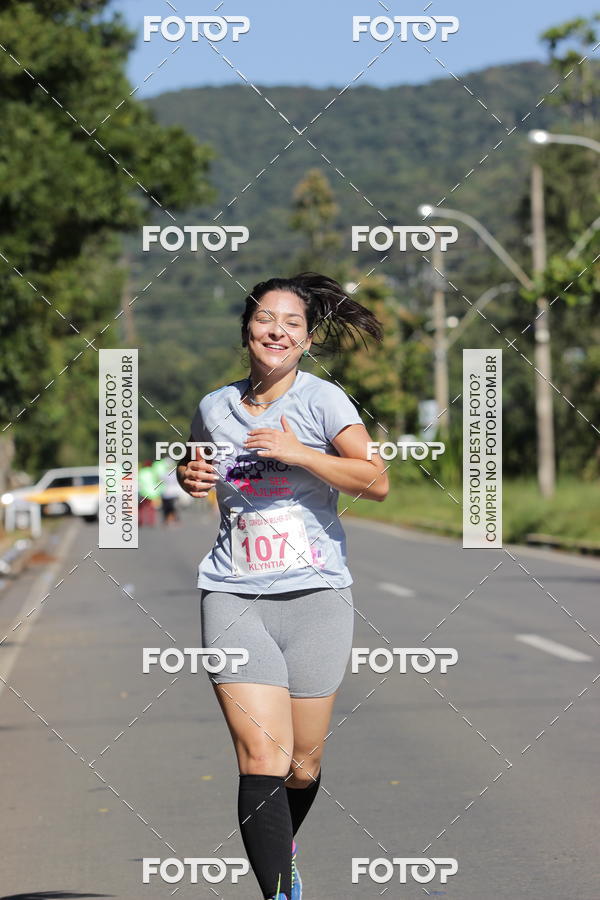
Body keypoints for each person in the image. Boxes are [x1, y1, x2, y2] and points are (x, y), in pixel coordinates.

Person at [177, 272, 389, 900]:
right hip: (233, 594)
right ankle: (279, 892)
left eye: (292, 323)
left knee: (300, 764)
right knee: (261, 757)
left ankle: (280, 847)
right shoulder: (214, 406)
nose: (278, 331)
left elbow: (375, 481)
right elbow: (196, 468)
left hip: (317, 597)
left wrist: (302, 455)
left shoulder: (324, 402)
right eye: (266, 319)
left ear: (307, 339)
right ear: (247, 329)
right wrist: (189, 477)